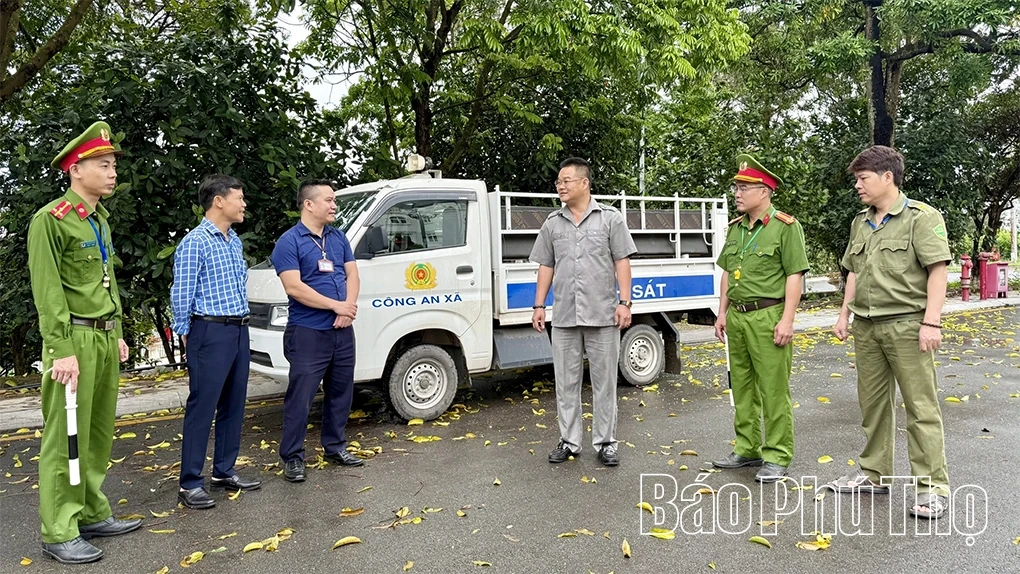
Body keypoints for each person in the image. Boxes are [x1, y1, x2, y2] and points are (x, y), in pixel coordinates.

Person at [28, 121, 138, 564]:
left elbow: (105, 281)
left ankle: (90, 512)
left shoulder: (97, 219)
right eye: (103, 165)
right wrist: (61, 350)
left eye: (113, 165)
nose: (112, 173)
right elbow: (48, 291)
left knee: (96, 431)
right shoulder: (51, 220)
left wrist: (118, 330)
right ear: (76, 169)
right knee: (64, 436)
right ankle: (58, 530)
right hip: (73, 339)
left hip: (103, 336)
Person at [826, 146, 951, 520]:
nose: (858, 186)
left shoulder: (921, 218)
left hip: (908, 325)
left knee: (921, 408)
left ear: (887, 177)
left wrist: (931, 321)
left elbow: (938, 270)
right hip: (866, 327)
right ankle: (873, 474)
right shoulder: (860, 222)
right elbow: (853, 271)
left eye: (863, 178)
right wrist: (844, 314)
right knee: (873, 406)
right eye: (856, 179)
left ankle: (932, 488)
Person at [529, 157, 637, 467]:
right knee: (565, 383)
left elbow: (622, 261)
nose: (560, 186)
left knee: (605, 384)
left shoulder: (610, 219)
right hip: (564, 316)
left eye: (566, 181)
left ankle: (606, 443)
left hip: (603, 314)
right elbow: (546, 265)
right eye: (558, 182)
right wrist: (539, 305)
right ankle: (569, 441)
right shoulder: (552, 223)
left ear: (584, 183)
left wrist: (625, 302)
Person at [712, 154, 809, 483]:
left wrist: (787, 320)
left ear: (764, 192)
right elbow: (728, 272)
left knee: (773, 389)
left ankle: (778, 455)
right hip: (738, 317)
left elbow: (795, 275)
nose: (737, 193)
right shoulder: (736, 229)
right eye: (736, 187)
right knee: (741, 387)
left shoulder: (785, 227)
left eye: (744, 188)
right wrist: (721, 312)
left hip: (768, 315)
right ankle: (747, 448)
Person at [171, 174, 260, 510]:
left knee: (234, 403)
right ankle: (190, 482)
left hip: (238, 329)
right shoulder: (195, 242)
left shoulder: (233, 240)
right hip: (209, 330)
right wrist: (184, 330)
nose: (244, 204)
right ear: (219, 201)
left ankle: (224, 471)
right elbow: (182, 291)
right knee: (203, 405)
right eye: (239, 198)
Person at [272, 180, 362, 482]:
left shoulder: (338, 237)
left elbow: (352, 274)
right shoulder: (289, 242)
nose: (334, 205)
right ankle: (293, 457)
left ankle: (335, 447)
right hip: (308, 332)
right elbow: (294, 287)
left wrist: (347, 308)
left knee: (341, 392)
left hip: (342, 330)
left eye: (334, 200)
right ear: (308, 204)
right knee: (301, 397)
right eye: (328, 200)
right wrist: (336, 307)